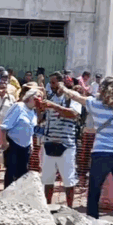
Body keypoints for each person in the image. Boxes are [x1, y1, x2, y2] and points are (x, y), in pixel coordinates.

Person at [61, 77, 113, 225]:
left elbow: (76, 96)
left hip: (101, 152)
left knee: (94, 192)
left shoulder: (95, 105)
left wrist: (63, 88)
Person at [40, 72, 81, 207]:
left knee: (68, 180)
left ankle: (70, 209)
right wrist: (39, 108)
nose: (51, 86)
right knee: (47, 179)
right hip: (49, 143)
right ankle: (48, 207)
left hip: (66, 145)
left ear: (61, 82)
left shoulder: (72, 98)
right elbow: (41, 119)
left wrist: (53, 106)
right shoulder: (50, 97)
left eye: (53, 83)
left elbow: (74, 114)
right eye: (50, 83)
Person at [1, 88, 42, 187]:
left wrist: (31, 143)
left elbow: (31, 129)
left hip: (26, 145)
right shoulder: (18, 107)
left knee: (22, 173)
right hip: (13, 143)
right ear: (30, 97)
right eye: (38, 96)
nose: (39, 99)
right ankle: (7, 194)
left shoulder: (33, 112)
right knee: (11, 170)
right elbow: (4, 127)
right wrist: (4, 142)